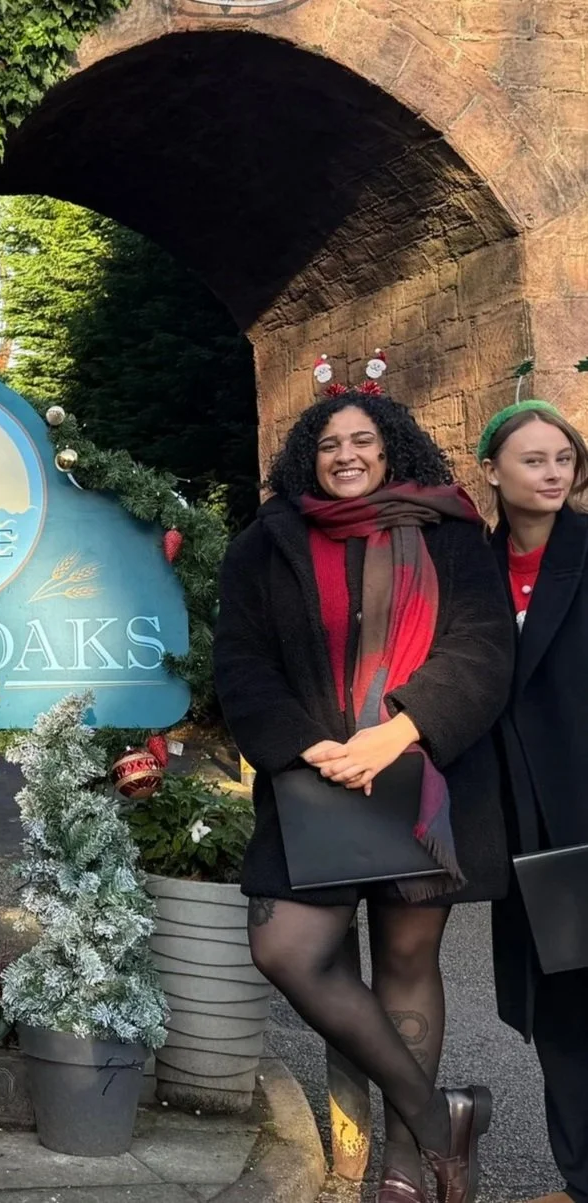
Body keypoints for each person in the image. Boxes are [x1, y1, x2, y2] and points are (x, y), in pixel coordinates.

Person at [213, 376, 514, 1203]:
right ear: (309, 459)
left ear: (390, 446)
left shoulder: (450, 531)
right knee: (286, 949)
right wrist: (305, 745)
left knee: (407, 958)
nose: (345, 456)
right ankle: (436, 1113)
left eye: (360, 441)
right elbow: (239, 661)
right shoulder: (264, 543)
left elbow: (483, 649)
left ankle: (405, 1167)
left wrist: (400, 728)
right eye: (328, 445)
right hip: (315, 781)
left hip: (425, 777)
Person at [479, 399, 588, 1203]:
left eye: (563, 458)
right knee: (557, 1009)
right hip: (521, 826)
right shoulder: (469, 570)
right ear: (491, 471)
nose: (552, 473)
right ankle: (577, 1178)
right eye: (532, 459)